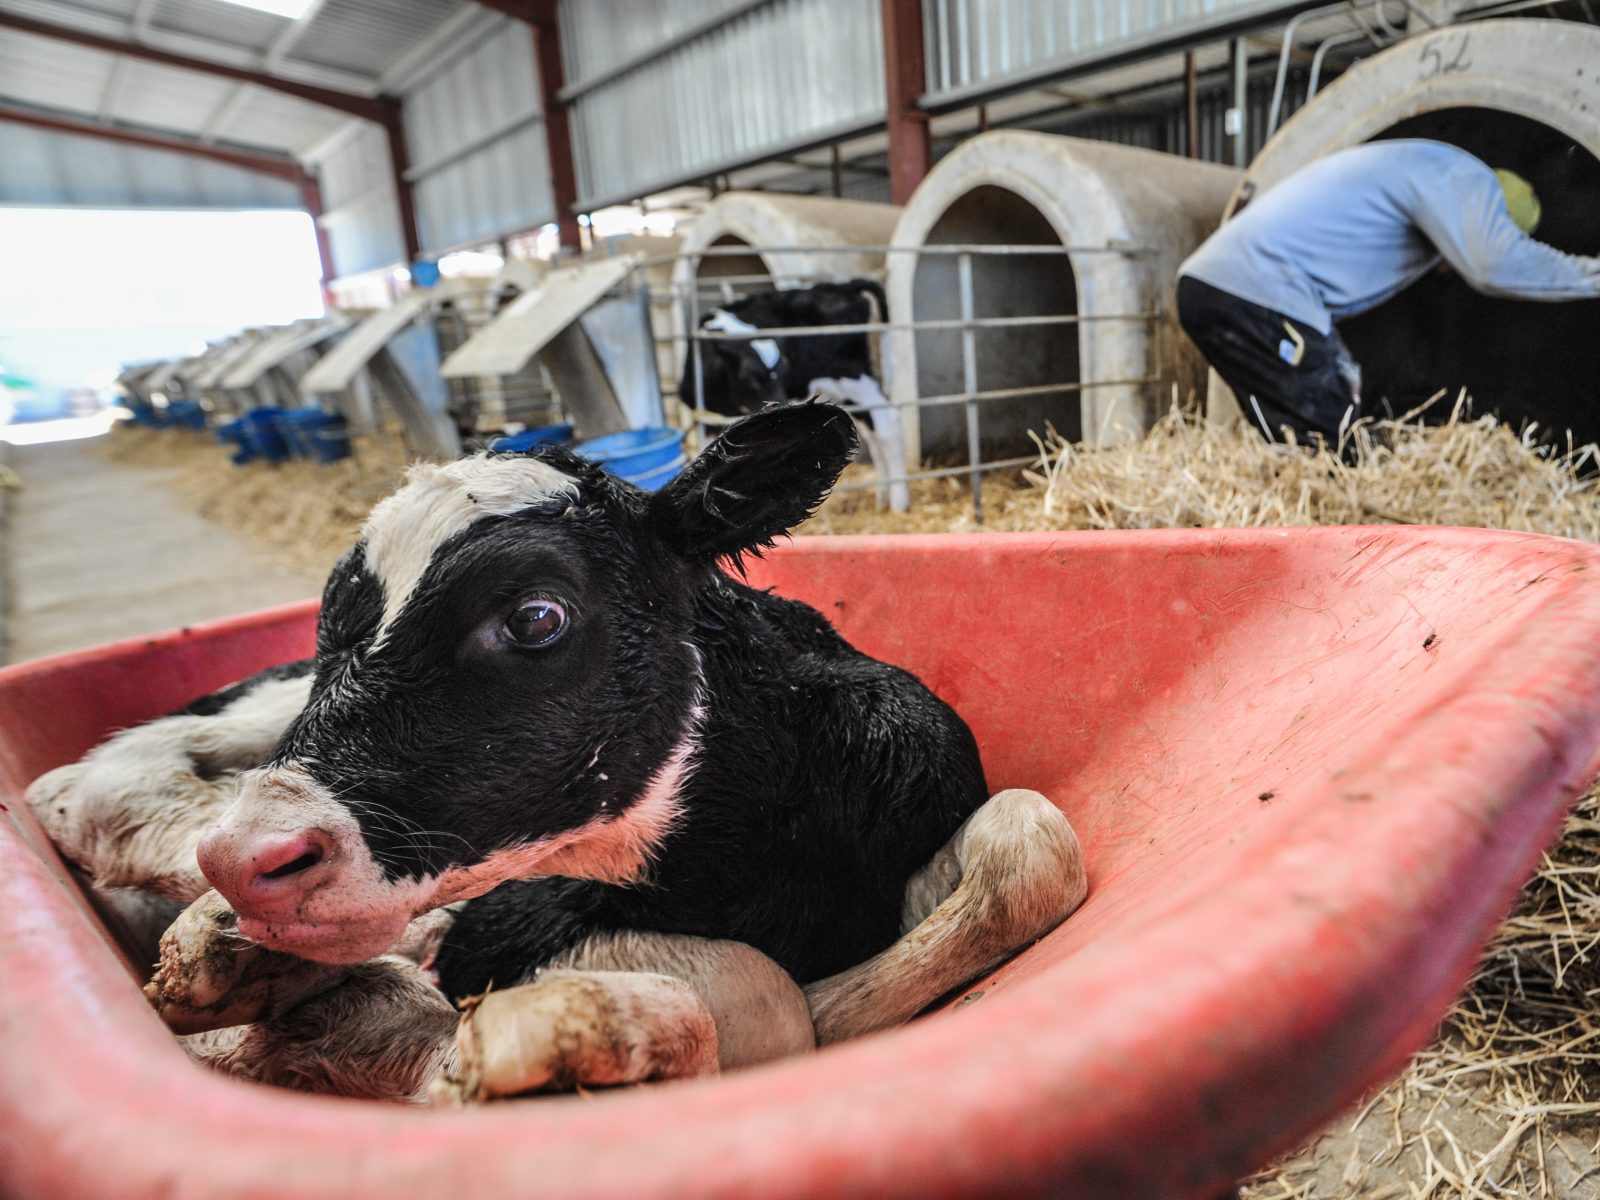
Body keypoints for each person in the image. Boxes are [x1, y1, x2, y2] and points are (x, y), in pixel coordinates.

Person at [1177, 139, 1600, 452]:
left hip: (1212, 288)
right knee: (1329, 436)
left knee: (1292, 434)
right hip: (1252, 291)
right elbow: (1495, 265)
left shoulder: (1413, 171)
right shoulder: (1466, 179)